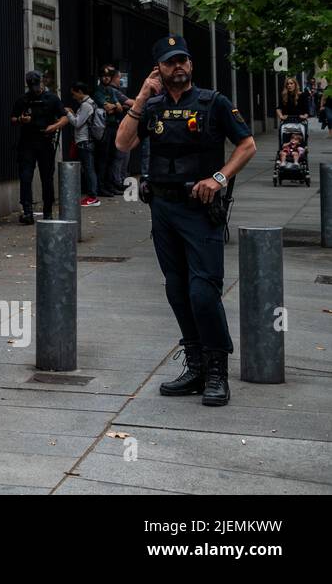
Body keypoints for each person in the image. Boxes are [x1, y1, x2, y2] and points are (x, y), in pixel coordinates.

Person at [115, 35, 256, 407]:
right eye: (169, 62)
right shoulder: (153, 106)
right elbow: (123, 144)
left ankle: (216, 372)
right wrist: (143, 96)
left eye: (183, 60)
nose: (177, 66)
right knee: (176, 290)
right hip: (162, 208)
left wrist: (219, 178)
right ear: (158, 69)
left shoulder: (213, 103)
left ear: (190, 65)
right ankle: (195, 366)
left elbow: (247, 146)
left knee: (202, 291)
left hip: (200, 208)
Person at [9, 70, 68, 223]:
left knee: (47, 178)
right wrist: (21, 120)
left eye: (37, 84)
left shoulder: (52, 99)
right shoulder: (23, 100)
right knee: (25, 177)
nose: (35, 88)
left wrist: (54, 127)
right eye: (32, 85)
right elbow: (13, 118)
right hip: (27, 142)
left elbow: (64, 117)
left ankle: (48, 211)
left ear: (42, 82)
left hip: (46, 140)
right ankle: (27, 212)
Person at [95, 65, 133, 195]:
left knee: (111, 157)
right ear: (100, 77)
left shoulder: (110, 91)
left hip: (112, 126)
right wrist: (114, 106)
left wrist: (115, 106)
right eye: (104, 76)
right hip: (103, 128)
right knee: (103, 159)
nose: (106, 78)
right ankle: (101, 187)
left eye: (108, 76)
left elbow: (118, 108)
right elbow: (108, 108)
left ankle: (109, 185)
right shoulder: (98, 91)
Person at [68, 81, 103, 206]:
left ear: (80, 92)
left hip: (85, 141)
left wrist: (68, 113)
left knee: (89, 169)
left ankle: (92, 197)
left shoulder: (86, 106)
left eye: (74, 94)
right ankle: (91, 195)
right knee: (88, 168)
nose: (73, 97)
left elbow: (77, 123)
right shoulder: (90, 104)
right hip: (86, 141)